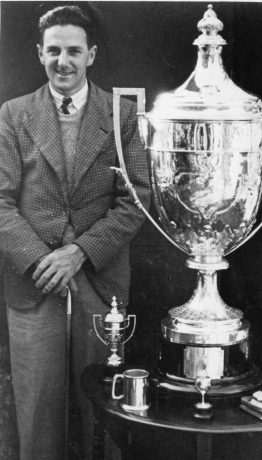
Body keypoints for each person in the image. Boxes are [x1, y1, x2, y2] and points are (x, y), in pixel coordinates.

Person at [0, 5, 150, 460]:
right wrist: (40, 258)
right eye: (53, 51)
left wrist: (79, 253)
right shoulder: (14, 115)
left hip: (99, 282)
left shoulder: (121, 116)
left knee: (101, 410)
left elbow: (136, 199)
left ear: (92, 55)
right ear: (39, 54)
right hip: (33, 279)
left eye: (73, 51)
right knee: (38, 410)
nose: (62, 61)